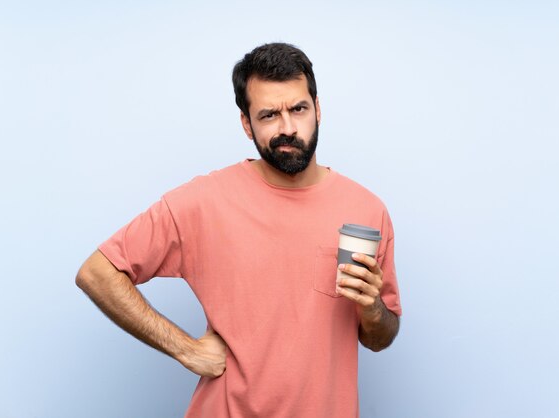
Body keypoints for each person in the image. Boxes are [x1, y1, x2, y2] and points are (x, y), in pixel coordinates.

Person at [76, 42, 401, 418]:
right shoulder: (205, 200)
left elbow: (380, 337)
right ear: (247, 124)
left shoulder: (367, 209)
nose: (288, 128)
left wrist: (372, 308)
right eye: (268, 115)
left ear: (318, 108)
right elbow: (96, 273)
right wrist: (186, 349)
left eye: (299, 109)